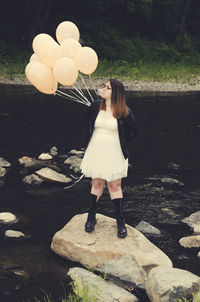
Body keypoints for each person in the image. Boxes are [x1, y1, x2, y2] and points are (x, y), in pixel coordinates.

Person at [80, 78, 137, 238]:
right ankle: (92, 215)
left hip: (114, 151)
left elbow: (133, 132)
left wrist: (121, 144)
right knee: (97, 182)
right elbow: (87, 125)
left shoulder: (125, 111)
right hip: (96, 149)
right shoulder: (94, 106)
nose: (103, 89)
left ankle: (120, 220)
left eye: (108, 88)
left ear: (116, 93)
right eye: (104, 86)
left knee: (114, 186)